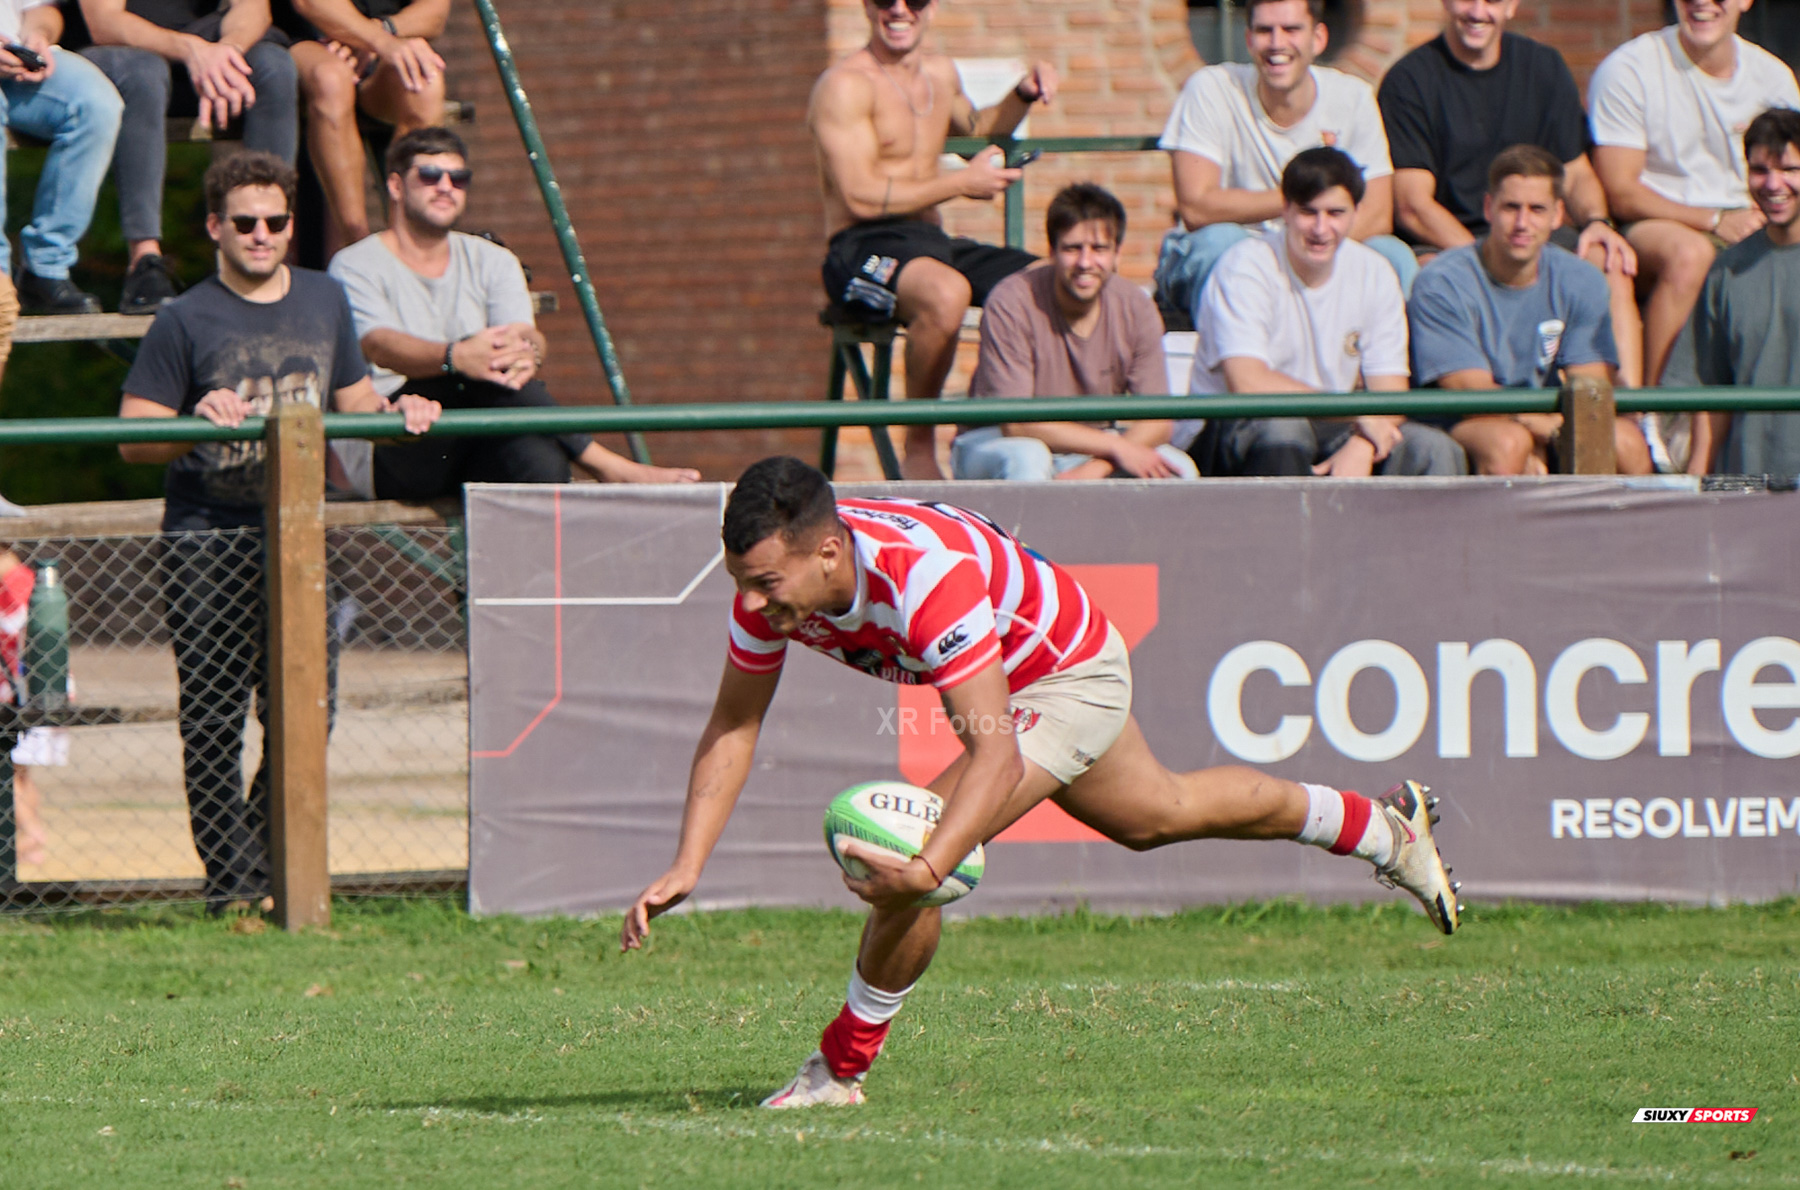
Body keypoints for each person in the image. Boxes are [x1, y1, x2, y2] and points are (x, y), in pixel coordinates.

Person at [620, 456, 1462, 1108]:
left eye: (766, 583)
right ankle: (1383, 829)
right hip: (1027, 675)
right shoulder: (768, 594)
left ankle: (839, 1071)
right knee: (1159, 814)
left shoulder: (921, 577)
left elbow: (996, 757)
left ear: (829, 552)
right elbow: (734, 725)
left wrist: (928, 868)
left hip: (1068, 674)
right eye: (741, 582)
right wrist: (688, 863)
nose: (753, 603)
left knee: (918, 843)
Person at [115, 151, 439, 913]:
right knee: (213, 716)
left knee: (306, 706)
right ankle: (229, 885)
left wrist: (403, 410)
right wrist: (192, 418)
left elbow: (356, 402)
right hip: (206, 532)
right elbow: (132, 437)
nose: (261, 234)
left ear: (292, 226)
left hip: (296, 532)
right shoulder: (183, 317)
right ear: (215, 228)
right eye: (245, 222)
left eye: (276, 221)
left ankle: (264, 865)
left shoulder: (325, 298)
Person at [327, 128, 698, 496]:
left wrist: (526, 351)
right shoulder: (355, 264)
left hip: (474, 433)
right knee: (476, 371)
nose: (445, 187)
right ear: (395, 186)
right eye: (429, 175)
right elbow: (376, 344)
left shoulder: (494, 260)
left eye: (458, 178)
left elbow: (523, 335)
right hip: (393, 437)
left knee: (540, 456)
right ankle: (610, 466)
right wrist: (455, 356)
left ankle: (560, 528)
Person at [810, 0, 1055, 480]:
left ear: (933, 8)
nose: (899, 9)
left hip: (928, 238)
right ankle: (919, 445)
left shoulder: (940, 74)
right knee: (946, 292)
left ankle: (1002, 420)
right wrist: (961, 184)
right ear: (866, 6)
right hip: (859, 246)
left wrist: (1022, 94)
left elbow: (980, 130)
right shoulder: (844, 86)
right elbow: (859, 196)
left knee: (1049, 280)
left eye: (915, 0)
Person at [1376, 0, 1643, 387]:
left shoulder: (1544, 67)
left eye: (1493, 1)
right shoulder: (1410, 79)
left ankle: (1630, 406)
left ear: (1513, 5)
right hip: (1449, 242)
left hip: (1533, 231)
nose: (1478, 11)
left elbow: (1576, 173)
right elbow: (1413, 205)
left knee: (1608, 259)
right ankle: (1474, 397)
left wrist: (1598, 222)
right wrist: (1487, 259)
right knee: (1435, 272)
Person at [1184, 147, 1465, 478]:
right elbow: (1248, 383)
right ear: (1285, 210)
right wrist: (1357, 414)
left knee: (1434, 450)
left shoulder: (1374, 271)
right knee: (1284, 429)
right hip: (1239, 426)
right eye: (1308, 212)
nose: (1321, 228)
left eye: (1335, 213)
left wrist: (1362, 444)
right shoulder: (1245, 265)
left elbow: (1390, 394)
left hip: (1337, 424)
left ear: (1356, 213)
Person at [1154, 0, 1417, 329]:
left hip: (1320, 245)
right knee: (1221, 245)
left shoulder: (1353, 98)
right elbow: (1197, 206)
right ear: (1249, 39)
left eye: (1291, 29)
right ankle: (1234, 356)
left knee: (1394, 256)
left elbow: (1377, 215)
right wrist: (1303, 202)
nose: (1277, 43)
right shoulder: (1211, 88)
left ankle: (1386, 361)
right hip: (1234, 249)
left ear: (1318, 38)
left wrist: (1305, 246)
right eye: (1265, 30)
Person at [1589, 0, 1800, 399]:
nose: (1702, 2)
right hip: (1655, 223)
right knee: (1691, 255)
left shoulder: (1773, 76)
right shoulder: (1630, 68)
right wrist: (1716, 219)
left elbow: (1789, 174)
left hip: (1756, 217)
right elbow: (1621, 191)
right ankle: (1660, 410)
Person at [1408, 146, 1649, 476]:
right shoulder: (1441, 282)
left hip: (1548, 417)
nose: (1522, 223)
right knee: (1509, 443)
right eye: (1511, 208)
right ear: (1488, 208)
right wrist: (1539, 427)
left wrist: (1550, 429)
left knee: (1626, 442)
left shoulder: (1582, 279)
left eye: (1537, 209)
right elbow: (1468, 391)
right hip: (1461, 422)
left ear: (1557, 215)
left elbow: (1590, 385)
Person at [951, 183, 1197, 482]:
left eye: (1099, 249)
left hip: (1093, 445)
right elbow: (1016, 423)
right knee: (1029, 458)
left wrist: (1097, 467)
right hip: (995, 440)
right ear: (1052, 251)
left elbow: (1158, 421)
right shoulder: (1011, 301)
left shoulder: (1136, 307)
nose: (1085, 263)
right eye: (1072, 248)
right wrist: (1116, 448)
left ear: (1117, 254)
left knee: (1178, 469)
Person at [80, 0, 300, 315]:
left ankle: (266, 246)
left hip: (207, 51)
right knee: (143, 73)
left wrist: (228, 51)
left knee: (273, 66)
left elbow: (253, 7)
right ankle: (144, 260)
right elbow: (104, 23)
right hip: (122, 54)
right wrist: (191, 50)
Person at [1664, 108, 1800, 478]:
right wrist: (1699, 485)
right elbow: (1710, 393)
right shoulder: (1727, 270)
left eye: (1789, 170)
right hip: (1747, 485)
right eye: (1760, 170)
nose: (1773, 184)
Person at [275, 0, 446, 254]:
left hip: (387, 44)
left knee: (425, 80)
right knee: (331, 79)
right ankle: (356, 245)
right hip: (308, 42)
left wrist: (379, 32)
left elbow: (436, 12)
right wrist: (375, 40)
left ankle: (409, 241)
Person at [0, 0, 122, 314]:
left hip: (14, 61)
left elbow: (42, 9)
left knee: (96, 105)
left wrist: (37, 36)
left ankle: (46, 267)